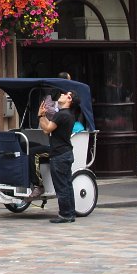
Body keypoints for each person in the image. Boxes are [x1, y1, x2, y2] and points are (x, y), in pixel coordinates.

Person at [38, 89, 78, 223]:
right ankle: (70, 213)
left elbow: (47, 129)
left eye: (65, 94)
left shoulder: (61, 114)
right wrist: (43, 116)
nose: (61, 95)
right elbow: (47, 129)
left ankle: (65, 214)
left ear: (69, 99)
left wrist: (40, 116)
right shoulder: (69, 115)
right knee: (67, 184)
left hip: (59, 154)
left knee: (61, 186)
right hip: (66, 152)